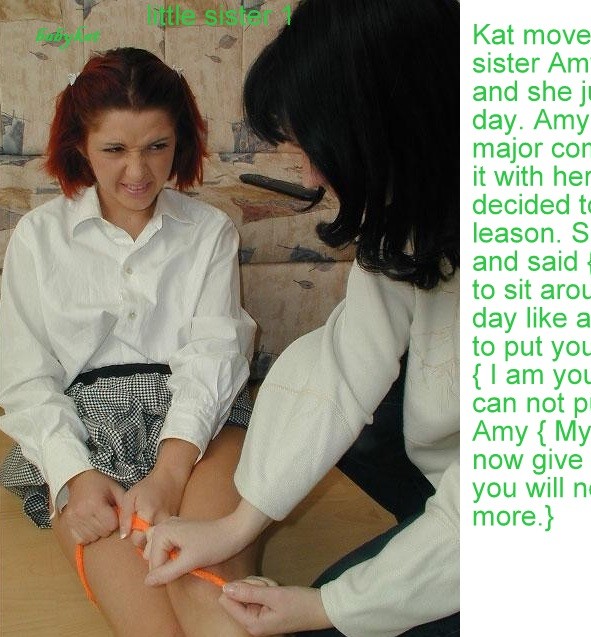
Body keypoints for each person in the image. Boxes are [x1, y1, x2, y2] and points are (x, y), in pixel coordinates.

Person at [143, 0, 460, 635]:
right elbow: (345, 359)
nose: (311, 172)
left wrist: (328, 606)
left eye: (316, 146)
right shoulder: (421, 200)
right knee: (367, 418)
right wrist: (236, 525)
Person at [0, 47, 261, 636]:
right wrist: (73, 475)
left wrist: (170, 473)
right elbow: (25, 378)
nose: (138, 172)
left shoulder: (210, 231)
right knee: (154, 627)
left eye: (156, 146)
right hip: (85, 439)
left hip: (201, 429)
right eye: (114, 149)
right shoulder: (37, 238)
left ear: (180, 142)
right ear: (80, 146)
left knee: (209, 601)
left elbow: (216, 355)